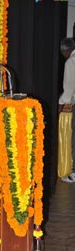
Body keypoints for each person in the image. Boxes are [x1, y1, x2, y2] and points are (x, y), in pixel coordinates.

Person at [59, 38, 75, 182]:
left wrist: (62, 103)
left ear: (65, 50)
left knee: (73, 138)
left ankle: (73, 172)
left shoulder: (71, 62)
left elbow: (69, 87)